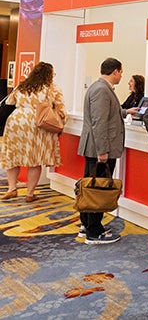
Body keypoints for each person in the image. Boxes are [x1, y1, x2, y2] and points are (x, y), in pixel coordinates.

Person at [0, 62, 66, 202]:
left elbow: (10, 101)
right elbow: (61, 110)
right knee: (34, 159)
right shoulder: (51, 89)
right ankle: (30, 194)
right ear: (48, 75)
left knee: (13, 156)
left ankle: (12, 189)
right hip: (37, 123)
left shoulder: (22, 86)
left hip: (16, 122)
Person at [77, 57, 126, 244]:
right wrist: (103, 150)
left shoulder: (100, 88)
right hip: (99, 149)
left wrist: (125, 112)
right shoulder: (101, 90)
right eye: (121, 72)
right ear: (115, 71)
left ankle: (87, 224)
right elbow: (99, 122)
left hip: (97, 148)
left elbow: (107, 114)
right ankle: (94, 231)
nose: (121, 75)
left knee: (90, 186)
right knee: (96, 189)